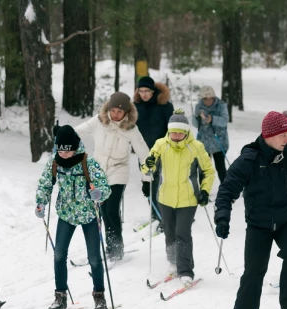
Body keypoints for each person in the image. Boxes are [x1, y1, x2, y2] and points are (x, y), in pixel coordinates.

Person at [214, 111, 287, 309]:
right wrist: (222, 217)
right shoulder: (249, 160)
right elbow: (227, 190)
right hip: (259, 223)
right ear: (269, 135)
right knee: (253, 272)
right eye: (283, 136)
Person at [35, 126, 111, 309]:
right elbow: (45, 184)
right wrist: (41, 203)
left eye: (67, 150)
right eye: (60, 150)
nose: (64, 154)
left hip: (89, 214)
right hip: (66, 214)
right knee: (59, 255)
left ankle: (99, 295)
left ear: (75, 147)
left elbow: (105, 187)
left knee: (94, 258)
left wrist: (98, 193)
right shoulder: (54, 162)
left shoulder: (88, 162)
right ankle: (60, 297)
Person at [74, 92, 152, 261]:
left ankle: (116, 248)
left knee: (111, 210)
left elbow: (144, 155)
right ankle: (109, 247)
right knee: (102, 211)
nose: (116, 115)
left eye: (120, 112)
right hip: (99, 173)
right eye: (114, 110)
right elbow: (79, 131)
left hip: (119, 170)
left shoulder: (131, 128)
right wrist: (64, 135)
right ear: (109, 109)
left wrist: (147, 180)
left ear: (126, 113)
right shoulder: (99, 121)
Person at [141, 109, 215, 282]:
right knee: (169, 232)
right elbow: (146, 169)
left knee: (183, 233)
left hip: (188, 199)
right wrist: (148, 164)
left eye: (179, 133)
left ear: (186, 132)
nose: (175, 135)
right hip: (165, 197)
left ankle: (186, 271)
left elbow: (208, 171)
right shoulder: (161, 144)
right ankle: (173, 262)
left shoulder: (196, 147)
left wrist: (204, 190)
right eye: (173, 132)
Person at [133, 76, 174, 228]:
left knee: (160, 183)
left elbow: (172, 128)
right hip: (143, 151)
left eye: (147, 91)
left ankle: (163, 216)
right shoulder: (135, 106)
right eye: (141, 91)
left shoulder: (164, 105)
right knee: (148, 183)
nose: (144, 94)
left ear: (153, 91)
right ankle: (155, 213)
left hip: (161, 151)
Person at [193, 85, 229, 184]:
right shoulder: (198, 106)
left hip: (219, 142)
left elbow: (225, 121)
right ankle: (203, 191)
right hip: (204, 142)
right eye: (205, 98)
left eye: (210, 98)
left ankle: (226, 191)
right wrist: (196, 117)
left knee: (220, 167)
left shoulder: (221, 105)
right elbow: (195, 124)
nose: (208, 101)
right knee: (204, 168)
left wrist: (213, 119)